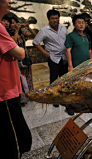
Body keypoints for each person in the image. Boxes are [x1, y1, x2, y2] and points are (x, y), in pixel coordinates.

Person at [0, 0, 32, 158]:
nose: (10, 1)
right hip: (5, 88)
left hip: (9, 84)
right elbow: (20, 53)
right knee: (14, 136)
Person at [32, 9, 73, 115]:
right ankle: (54, 98)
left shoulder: (63, 28)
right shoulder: (44, 30)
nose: (55, 20)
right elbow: (35, 42)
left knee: (64, 79)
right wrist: (45, 53)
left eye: (57, 18)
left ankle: (65, 100)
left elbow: (67, 39)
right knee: (54, 79)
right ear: (48, 19)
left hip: (64, 57)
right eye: (53, 18)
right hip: (53, 58)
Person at [10, 16, 36, 106]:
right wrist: (16, 31)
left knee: (28, 77)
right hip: (16, 59)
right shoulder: (9, 34)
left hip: (25, 58)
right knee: (20, 79)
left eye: (15, 22)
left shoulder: (22, 32)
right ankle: (22, 99)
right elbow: (13, 43)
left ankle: (30, 95)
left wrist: (29, 28)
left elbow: (34, 36)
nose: (15, 24)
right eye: (12, 23)